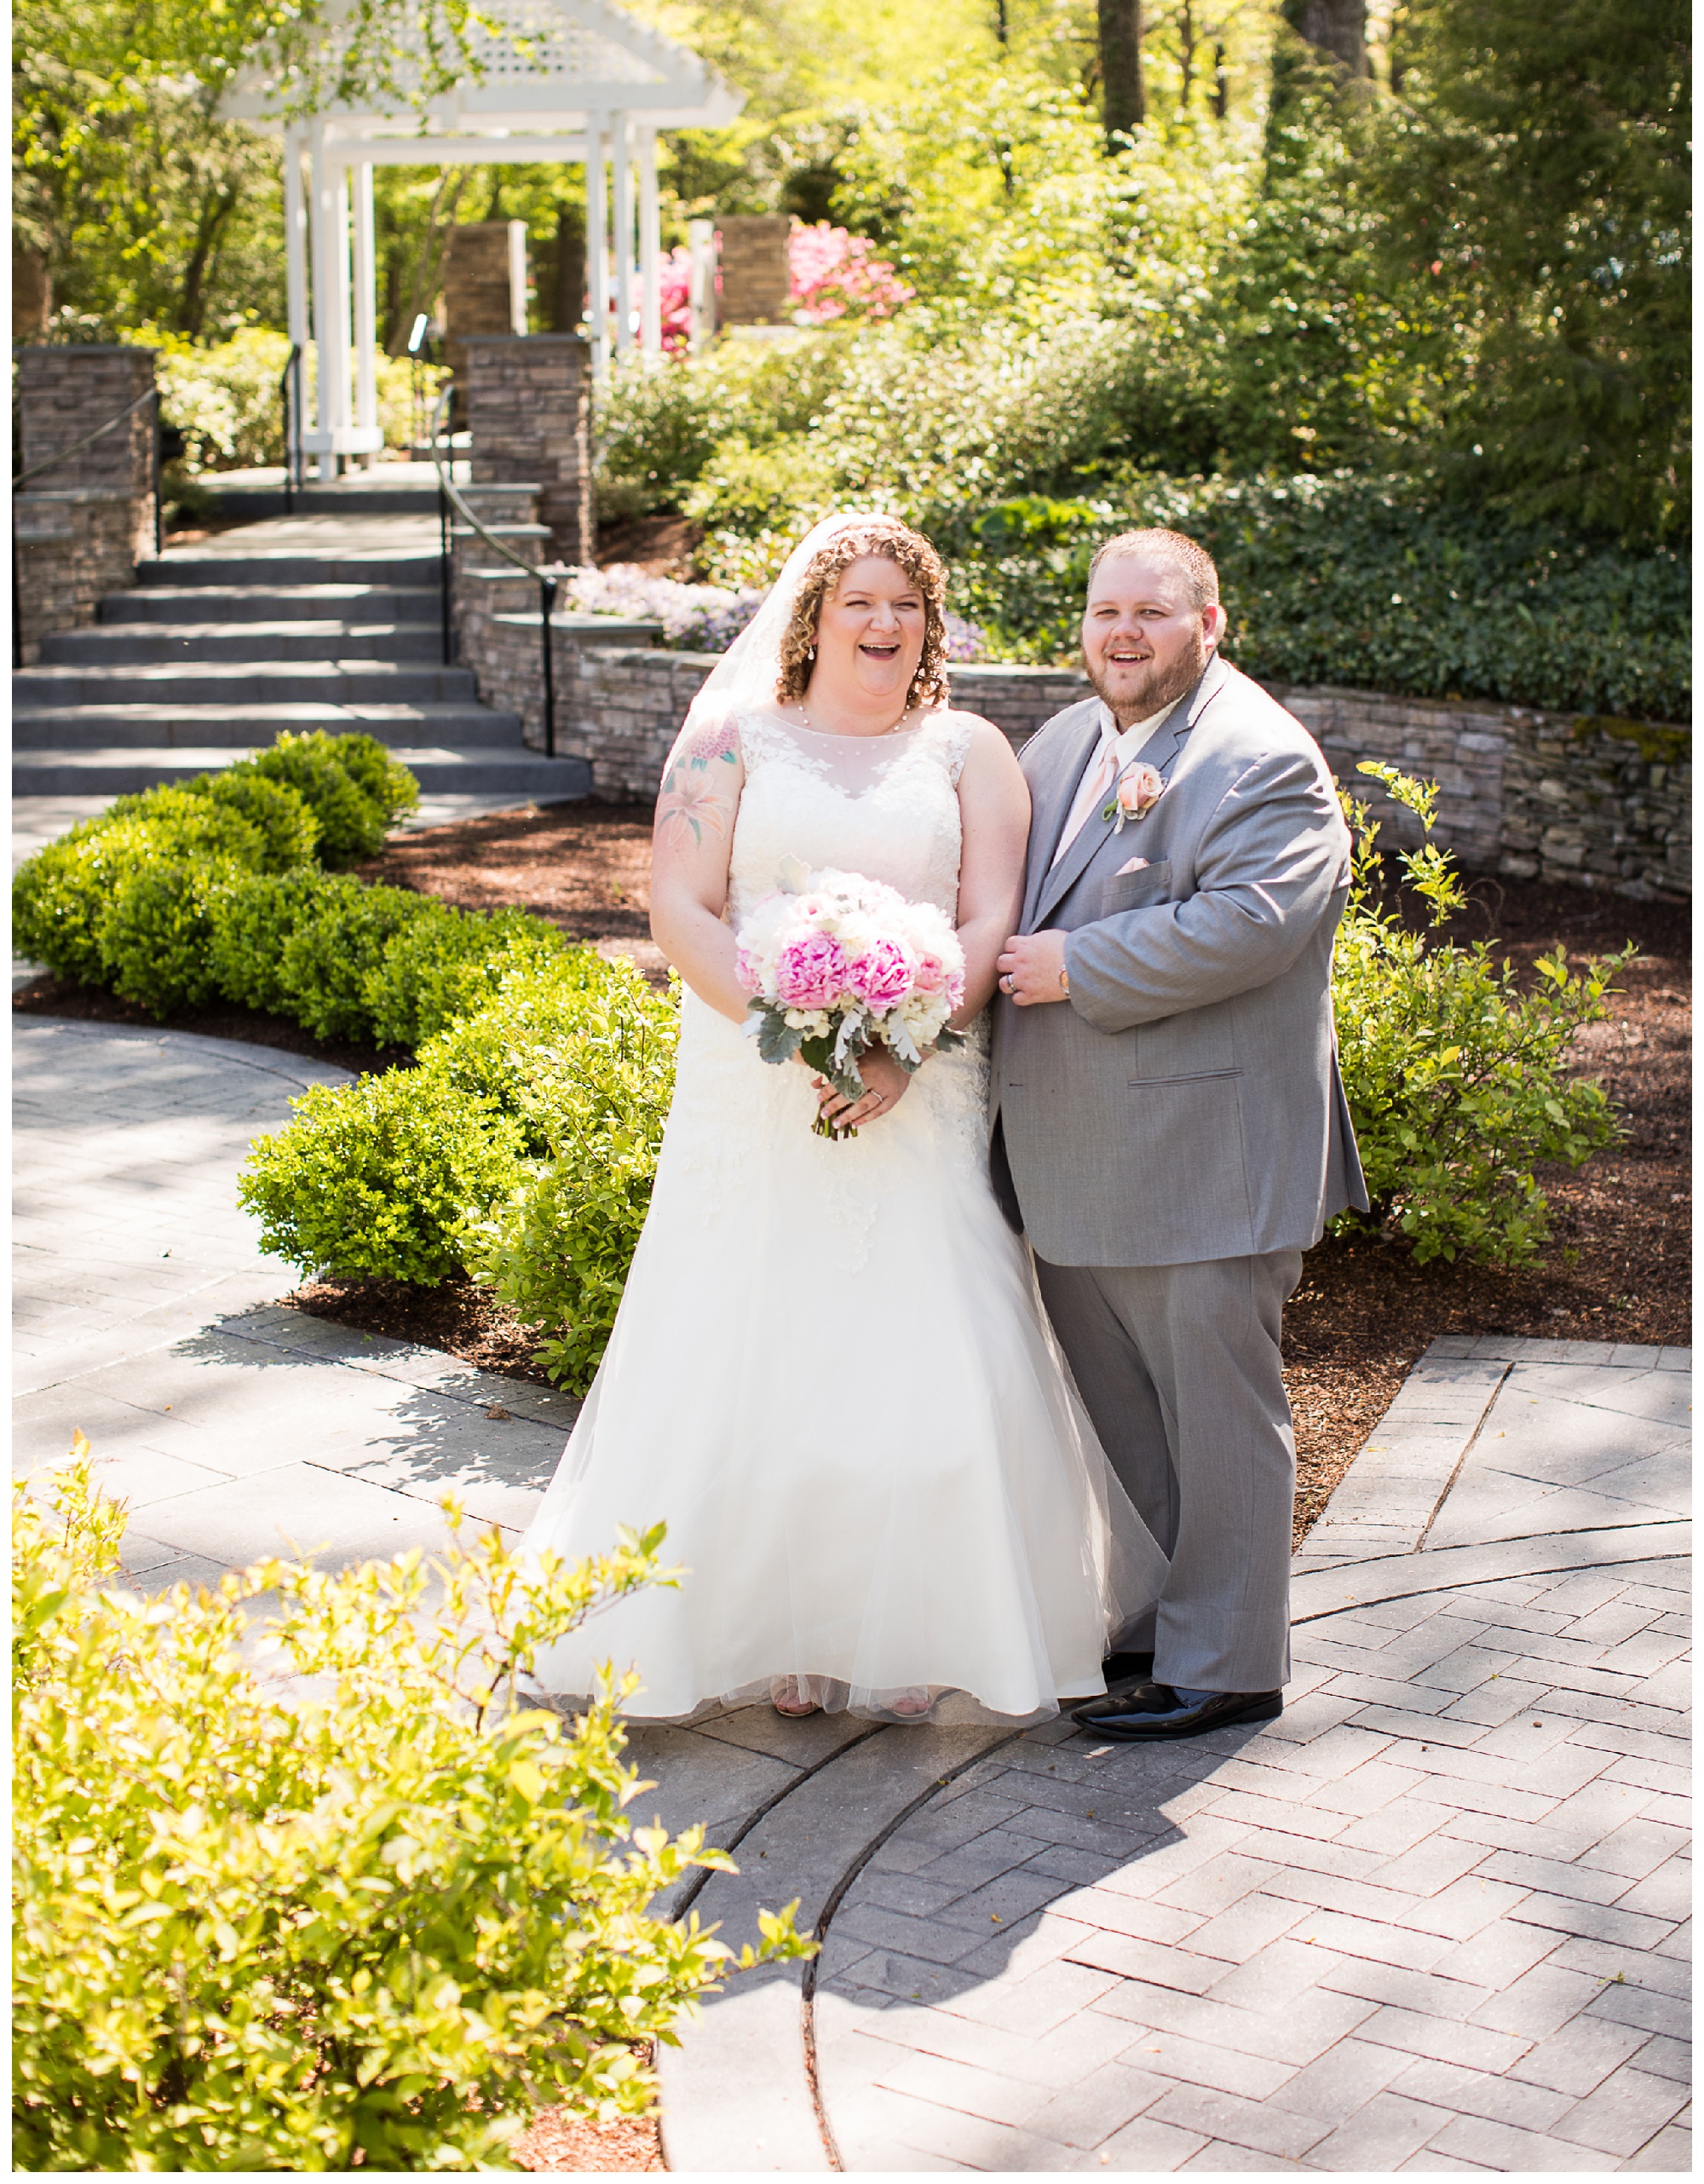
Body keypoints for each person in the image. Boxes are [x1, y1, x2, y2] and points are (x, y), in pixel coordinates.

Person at [523, 515, 1163, 1725]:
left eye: (907, 608)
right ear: (811, 615)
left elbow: (987, 922)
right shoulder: (730, 741)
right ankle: (783, 1635)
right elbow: (680, 905)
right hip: (754, 1082)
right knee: (749, 1344)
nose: (883, 626)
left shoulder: (970, 749)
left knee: (931, 1344)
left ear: (929, 627)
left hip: (920, 1087)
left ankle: (926, 1621)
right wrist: (805, 1027)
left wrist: (900, 1045)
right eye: (860, 603)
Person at [993, 527, 1367, 1743]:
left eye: (1153, 613)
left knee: (1216, 1418)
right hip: (1079, 1159)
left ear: (1212, 623)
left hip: (1206, 1156)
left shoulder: (1263, 759)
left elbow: (1252, 924)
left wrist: (1073, 965)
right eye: (1106, 611)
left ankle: (1230, 1661)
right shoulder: (1061, 743)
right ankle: (1153, 1631)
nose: (1123, 634)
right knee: (1129, 1424)